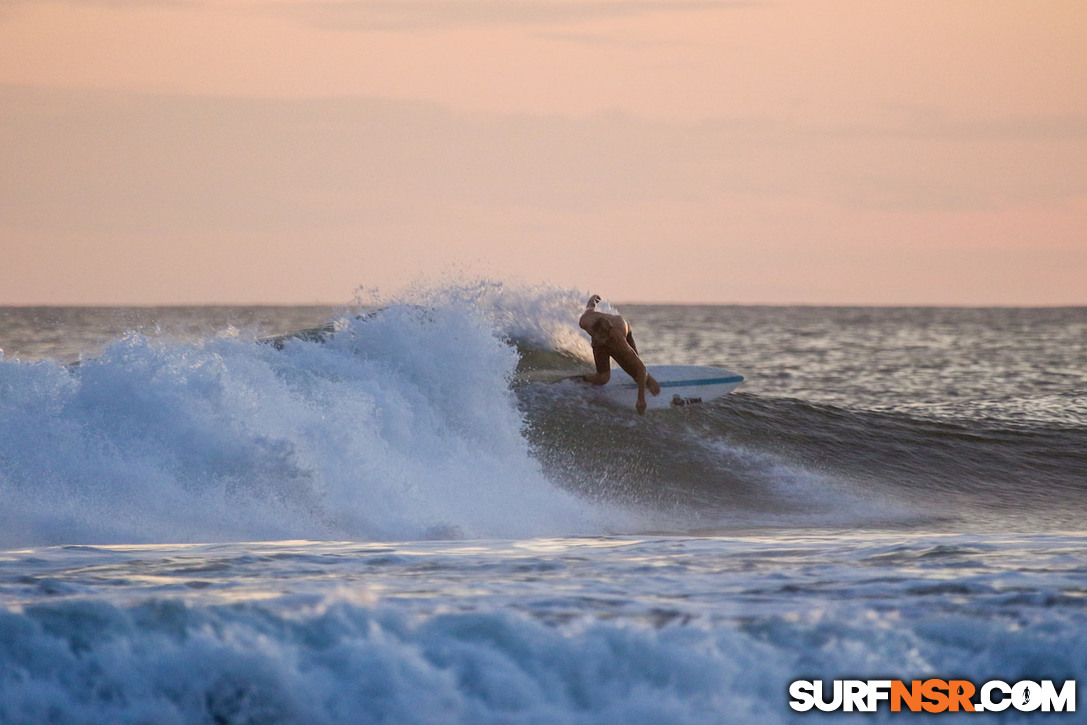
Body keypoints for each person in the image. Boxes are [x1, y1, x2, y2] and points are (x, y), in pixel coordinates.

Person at [578, 294, 660, 414]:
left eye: (604, 339)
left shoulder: (617, 338)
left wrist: (640, 399)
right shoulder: (586, 321)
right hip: (606, 333)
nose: (602, 342)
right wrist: (593, 299)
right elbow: (590, 308)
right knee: (603, 378)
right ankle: (580, 380)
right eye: (599, 338)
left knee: (637, 373)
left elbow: (640, 367)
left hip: (624, 335)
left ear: (610, 334)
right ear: (593, 331)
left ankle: (649, 379)